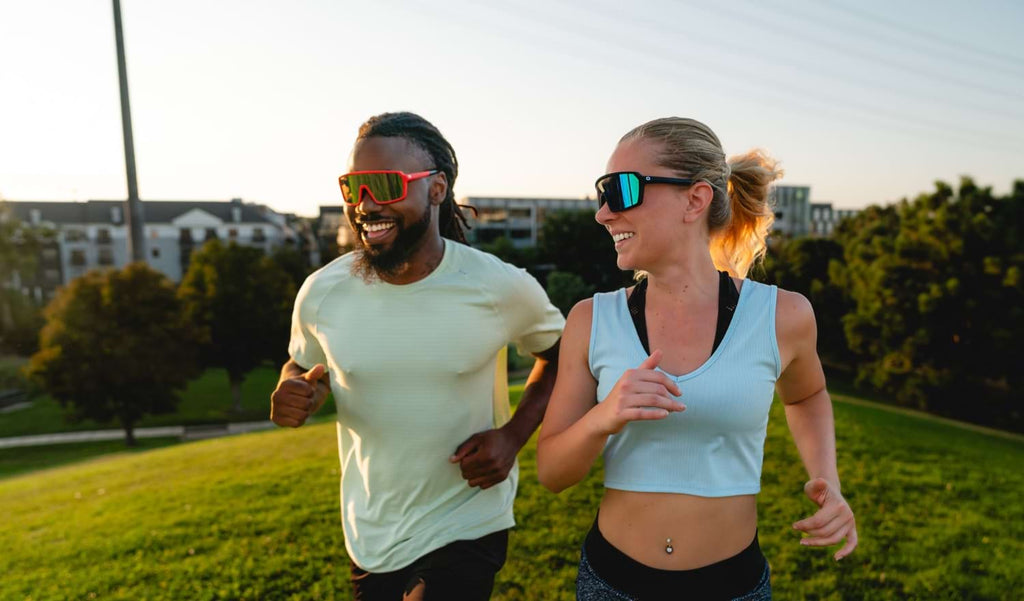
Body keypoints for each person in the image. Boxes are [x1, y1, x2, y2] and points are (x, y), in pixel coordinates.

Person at [536, 117, 857, 600]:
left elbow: (806, 395)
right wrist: (603, 417)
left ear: (695, 200)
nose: (603, 213)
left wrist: (827, 478)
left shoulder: (783, 316)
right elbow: (552, 473)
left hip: (733, 587)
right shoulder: (590, 319)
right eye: (602, 193)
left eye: (621, 190)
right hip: (611, 583)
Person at [270, 112, 564, 600]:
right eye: (354, 187)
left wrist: (513, 436)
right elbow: (302, 364)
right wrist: (294, 388)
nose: (366, 204)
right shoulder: (322, 292)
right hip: (372, 529)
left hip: (467, 517)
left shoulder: (497, 285)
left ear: (436, 188)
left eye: (385, 185)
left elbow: (561, 355)